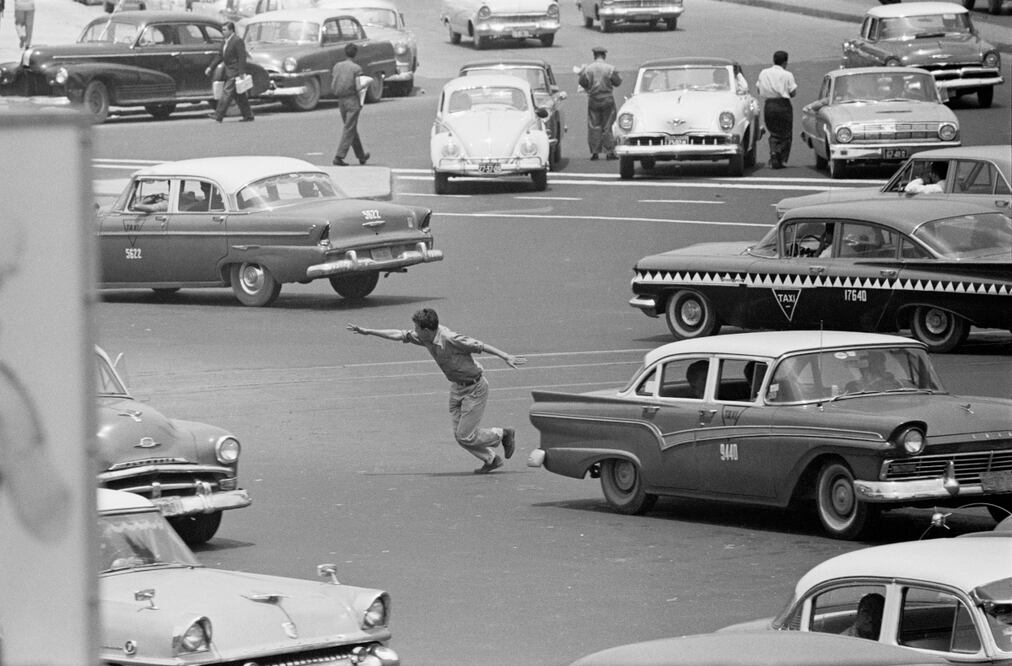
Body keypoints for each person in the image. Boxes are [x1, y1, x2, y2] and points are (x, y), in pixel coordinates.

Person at [346, 309, 526, 474]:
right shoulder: (425, 337)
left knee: (465, 435)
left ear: (427, 330)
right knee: (461, 436)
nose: (413, 330)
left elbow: (480, 345)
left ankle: (503, 433)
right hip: (457, 388)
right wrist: (369, 331)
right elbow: (398, 334)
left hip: (475, 388)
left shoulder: (450, 338)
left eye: (416, 327)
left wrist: (505, 356)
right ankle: (491, 459)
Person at [205, 21, 254, 123]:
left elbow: (242, 57)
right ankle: (248, 115)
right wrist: (211, 67)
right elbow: (220, 56)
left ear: (231, 30)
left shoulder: (237, 41)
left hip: (235, 72)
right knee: (240, 96)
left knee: (226, 93)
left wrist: (241, 72)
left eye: (224, 30)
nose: (223, 32)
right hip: (228, 71)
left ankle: (218, 115)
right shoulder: (225, 41)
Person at [578, 46, 621, 161]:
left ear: (594, 55)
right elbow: (617, 82)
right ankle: (609, 151)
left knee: (594, 125)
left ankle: (595, 152)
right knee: (608, 125)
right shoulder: (610, 68)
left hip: (593, 99)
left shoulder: (588, 69)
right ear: (604, 55)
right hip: (607, 99)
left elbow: (582, 82)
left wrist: (589, 86)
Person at [756, 50, 797, 170]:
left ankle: (774, 151)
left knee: (773, 132)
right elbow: (793, 92)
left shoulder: (764, 73)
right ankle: (782, 158)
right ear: (785, 62)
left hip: (769, 105)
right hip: (783, 105)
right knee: (786, 132)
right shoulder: (787, 75)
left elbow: (759, 89)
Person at [331, 43, 370, 166]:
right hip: (352, 100)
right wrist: (366, 85)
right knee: (349, 129)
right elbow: (358, 86)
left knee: (351, 128)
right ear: (355, 54)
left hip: (341, 101)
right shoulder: (356, 68)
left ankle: (361, 156)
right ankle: (339, 156)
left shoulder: (337, 66)